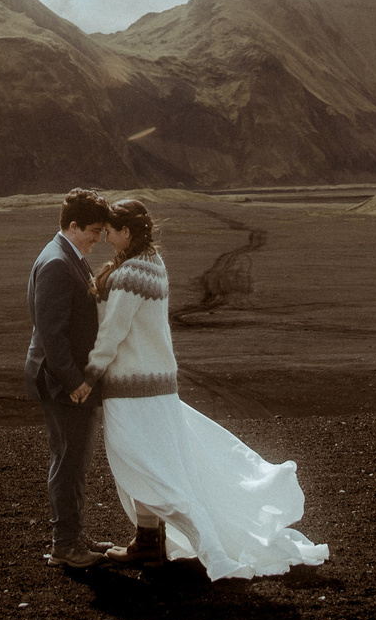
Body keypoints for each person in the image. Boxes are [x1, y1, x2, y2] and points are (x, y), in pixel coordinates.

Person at [85, 198, 329, 578]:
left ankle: (178, 541)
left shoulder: (132, 273)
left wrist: (90, 374)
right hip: (159, 388)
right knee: (154, 462)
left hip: (132, 388)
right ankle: (147, 542)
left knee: (139, 463)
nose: (104, 238)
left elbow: (114, 332)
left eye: (109, 232)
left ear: (126, 232)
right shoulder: (154, 264)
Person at [25, 188, 122, 567]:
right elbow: (51, 334)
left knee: (74, 459)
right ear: (74, 225)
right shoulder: (56, 263)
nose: (99, 238)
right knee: (69, 461)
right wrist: (74, 382)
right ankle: (64, 545)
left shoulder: (68, 256)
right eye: (94, 230)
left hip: (64, 379)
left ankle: (74, 535)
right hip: (61, 383)